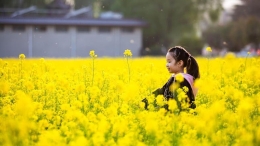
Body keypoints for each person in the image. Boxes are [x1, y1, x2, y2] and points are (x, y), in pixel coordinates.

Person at [142, 46, 200, 111]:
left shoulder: (182, 80)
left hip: (179, 117)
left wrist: (161, 109)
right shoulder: (174, 78)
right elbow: (161, 92)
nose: (166, 64)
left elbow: (179, 103)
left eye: (169, 62)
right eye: (167, 62)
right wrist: (143, 103)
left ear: (180, 63)